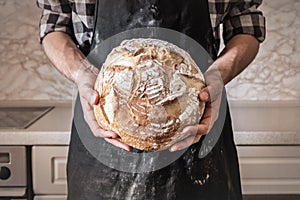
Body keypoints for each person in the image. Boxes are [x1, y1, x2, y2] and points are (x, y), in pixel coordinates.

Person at [37, 0, 265, 199]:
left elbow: (245, 25)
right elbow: (55, 25)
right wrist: (82, 73)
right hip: (102, 146)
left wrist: (216, 76)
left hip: (200, 134)